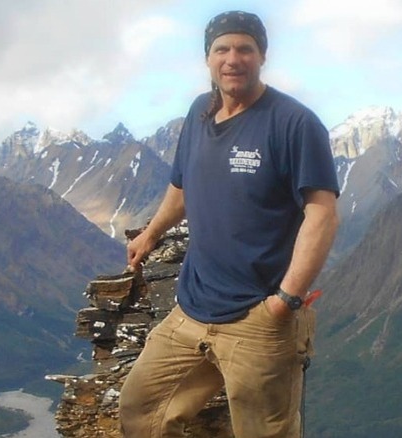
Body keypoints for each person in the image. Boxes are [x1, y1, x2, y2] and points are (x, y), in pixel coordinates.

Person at [119, 10, 339, 438]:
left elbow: (322, 213)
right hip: (193, 308)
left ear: (262, 57)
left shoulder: (294, 123)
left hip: (259, 318)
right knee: (143, 411)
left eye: (244, 49)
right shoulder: (200, 112)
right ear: (207, 59)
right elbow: (182, 186)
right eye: (222, 49)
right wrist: (151, 233)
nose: (232, 59)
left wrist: (284, 302)